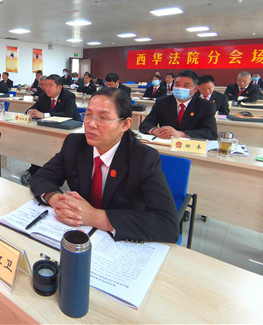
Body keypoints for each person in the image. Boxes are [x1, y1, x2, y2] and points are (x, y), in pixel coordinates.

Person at [30, 87, 179, 243]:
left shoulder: (143, 157)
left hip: (119, 240)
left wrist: (95, 217)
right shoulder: (75, 144)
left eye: (102, 118)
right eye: (88, 115)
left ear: (125, 124)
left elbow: (168, 225)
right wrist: (57, 200)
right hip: (78, 233)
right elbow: (42, 176)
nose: (91, 124)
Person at [21, 74, 81, 185]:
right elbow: (31, 109)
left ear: (59, 87)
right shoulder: (43, 96)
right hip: (49, 130)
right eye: (45, 85)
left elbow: (68, 114)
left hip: (70, 131)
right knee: (37, 144)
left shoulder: (69, 96)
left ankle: (52, 174)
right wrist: (31, 112)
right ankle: (35, 168)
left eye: (50, 85)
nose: (46, 88)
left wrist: (44, 115)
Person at [139, 70, 218, 140]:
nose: (180, 88)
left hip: (190, 147)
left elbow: (211, 133)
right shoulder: (162, 102)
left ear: (196, 89)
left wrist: (181, 134)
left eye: (186, 85)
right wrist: (155, 131)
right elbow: (145, 124)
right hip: (165, 144)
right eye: (177, 84)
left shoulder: (206, 106)